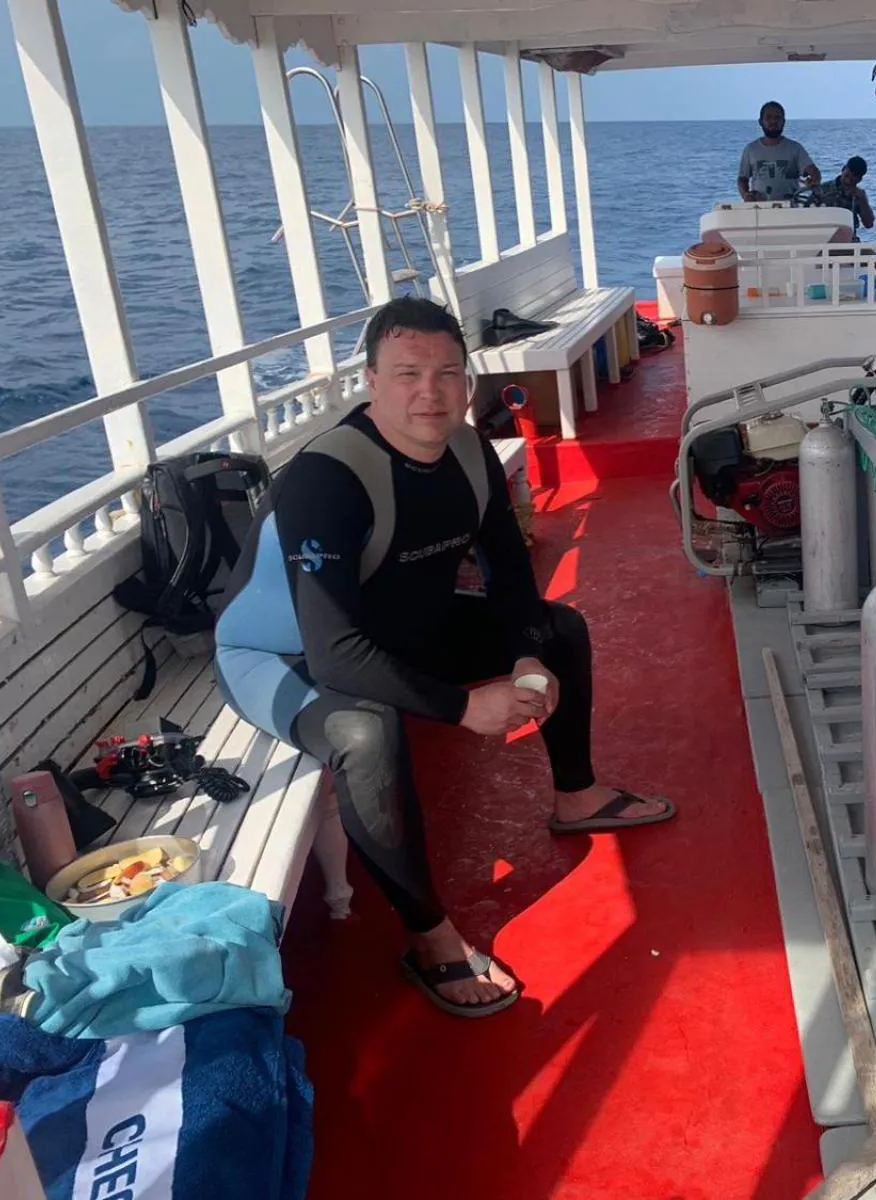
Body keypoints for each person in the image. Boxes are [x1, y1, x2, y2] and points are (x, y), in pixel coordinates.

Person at [213, 296, 675, 1019]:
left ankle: (576, 796)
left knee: (560, 630)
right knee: (365, 732)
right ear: (369, 380)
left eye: (447, 374)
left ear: (468, 382)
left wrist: (525, 659)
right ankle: (429, 935)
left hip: (402, 628)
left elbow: (508, 571)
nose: (429, 392)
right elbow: (334, 655)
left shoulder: (466, 452)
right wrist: (467, 706)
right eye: (406, 374)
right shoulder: (325, 481)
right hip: (280, 656)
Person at [737, 100, 819, 202]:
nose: (773, 121)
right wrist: (745, 194)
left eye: (777, 118)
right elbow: (742, 179)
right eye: (769, 117)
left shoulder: (795, 148)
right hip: (760, 207)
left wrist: (814, 177)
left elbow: (811, 170)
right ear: (761, 122)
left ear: (783, 122)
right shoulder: (751, 149)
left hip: (790, 207)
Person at [815, 156, 876, 238]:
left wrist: (863, 201)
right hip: (824, 238)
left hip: (850, 241)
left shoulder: (859, 196)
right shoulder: (823, 189)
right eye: (847, 176)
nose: (848, 181)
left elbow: (868, 224)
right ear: (843, 169)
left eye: (852, 180)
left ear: (859, 180)